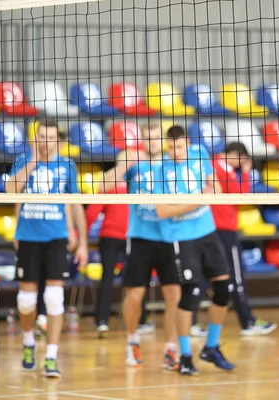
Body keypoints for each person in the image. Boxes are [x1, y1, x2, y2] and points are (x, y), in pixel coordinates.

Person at [5, 119, 88, 378]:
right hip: (29, 238)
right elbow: (10, 191)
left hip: (56, 238)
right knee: (26, 301)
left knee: (54, 299)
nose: (45, 142)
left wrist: (81, 241)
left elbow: (74, 204)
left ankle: (51, 356)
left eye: (50, 137)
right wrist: (31, 162)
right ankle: (28, 342)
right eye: (41, 136)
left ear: (58, 141)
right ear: (35, 139)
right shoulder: (23, 161)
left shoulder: (67, 165)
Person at [155, 125, 234, 376]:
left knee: (223, 289)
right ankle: (186, 355)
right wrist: (198, 199)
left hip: (207, 232)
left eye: (178, 147)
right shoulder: (160, 170)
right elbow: (163, 211)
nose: (174, 152)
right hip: (181, 237)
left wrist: (207, 194)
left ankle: (211, 347)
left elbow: (216, 191)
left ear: (187, 143)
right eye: (170, 147)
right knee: (190, 295)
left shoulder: (200, 153)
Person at [101, 123, 181, 370]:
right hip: (139, 238)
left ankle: (171, 348)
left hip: (169, 237)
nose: (152, 141)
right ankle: (132, 341)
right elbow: (103, 186)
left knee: (174, 298)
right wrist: (124, 164)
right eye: (148, 137)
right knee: (134, 296)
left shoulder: (172, 163)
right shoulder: (134, 163)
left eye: (156, 137)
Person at [189, 142, 277, 336]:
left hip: (212, 228)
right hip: (223, 229)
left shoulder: (215, 166)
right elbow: (241, 197)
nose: (242, 163)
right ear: (236, 154)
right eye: (242, 160)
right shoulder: (219, 168)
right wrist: (245, 173)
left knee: (205, 276)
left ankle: (191, 323)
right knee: (236, 276)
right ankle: (248, 322)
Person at [85, 182, 129, 338]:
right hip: (118, 237)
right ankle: (103, 320)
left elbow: (91, 213)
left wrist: (81, 235)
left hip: (122, 237)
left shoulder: (134, 181)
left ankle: (102, 321)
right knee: (131, 279)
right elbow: (91, 212)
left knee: (114, 279)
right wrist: (80, 238)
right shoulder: (112, 184)